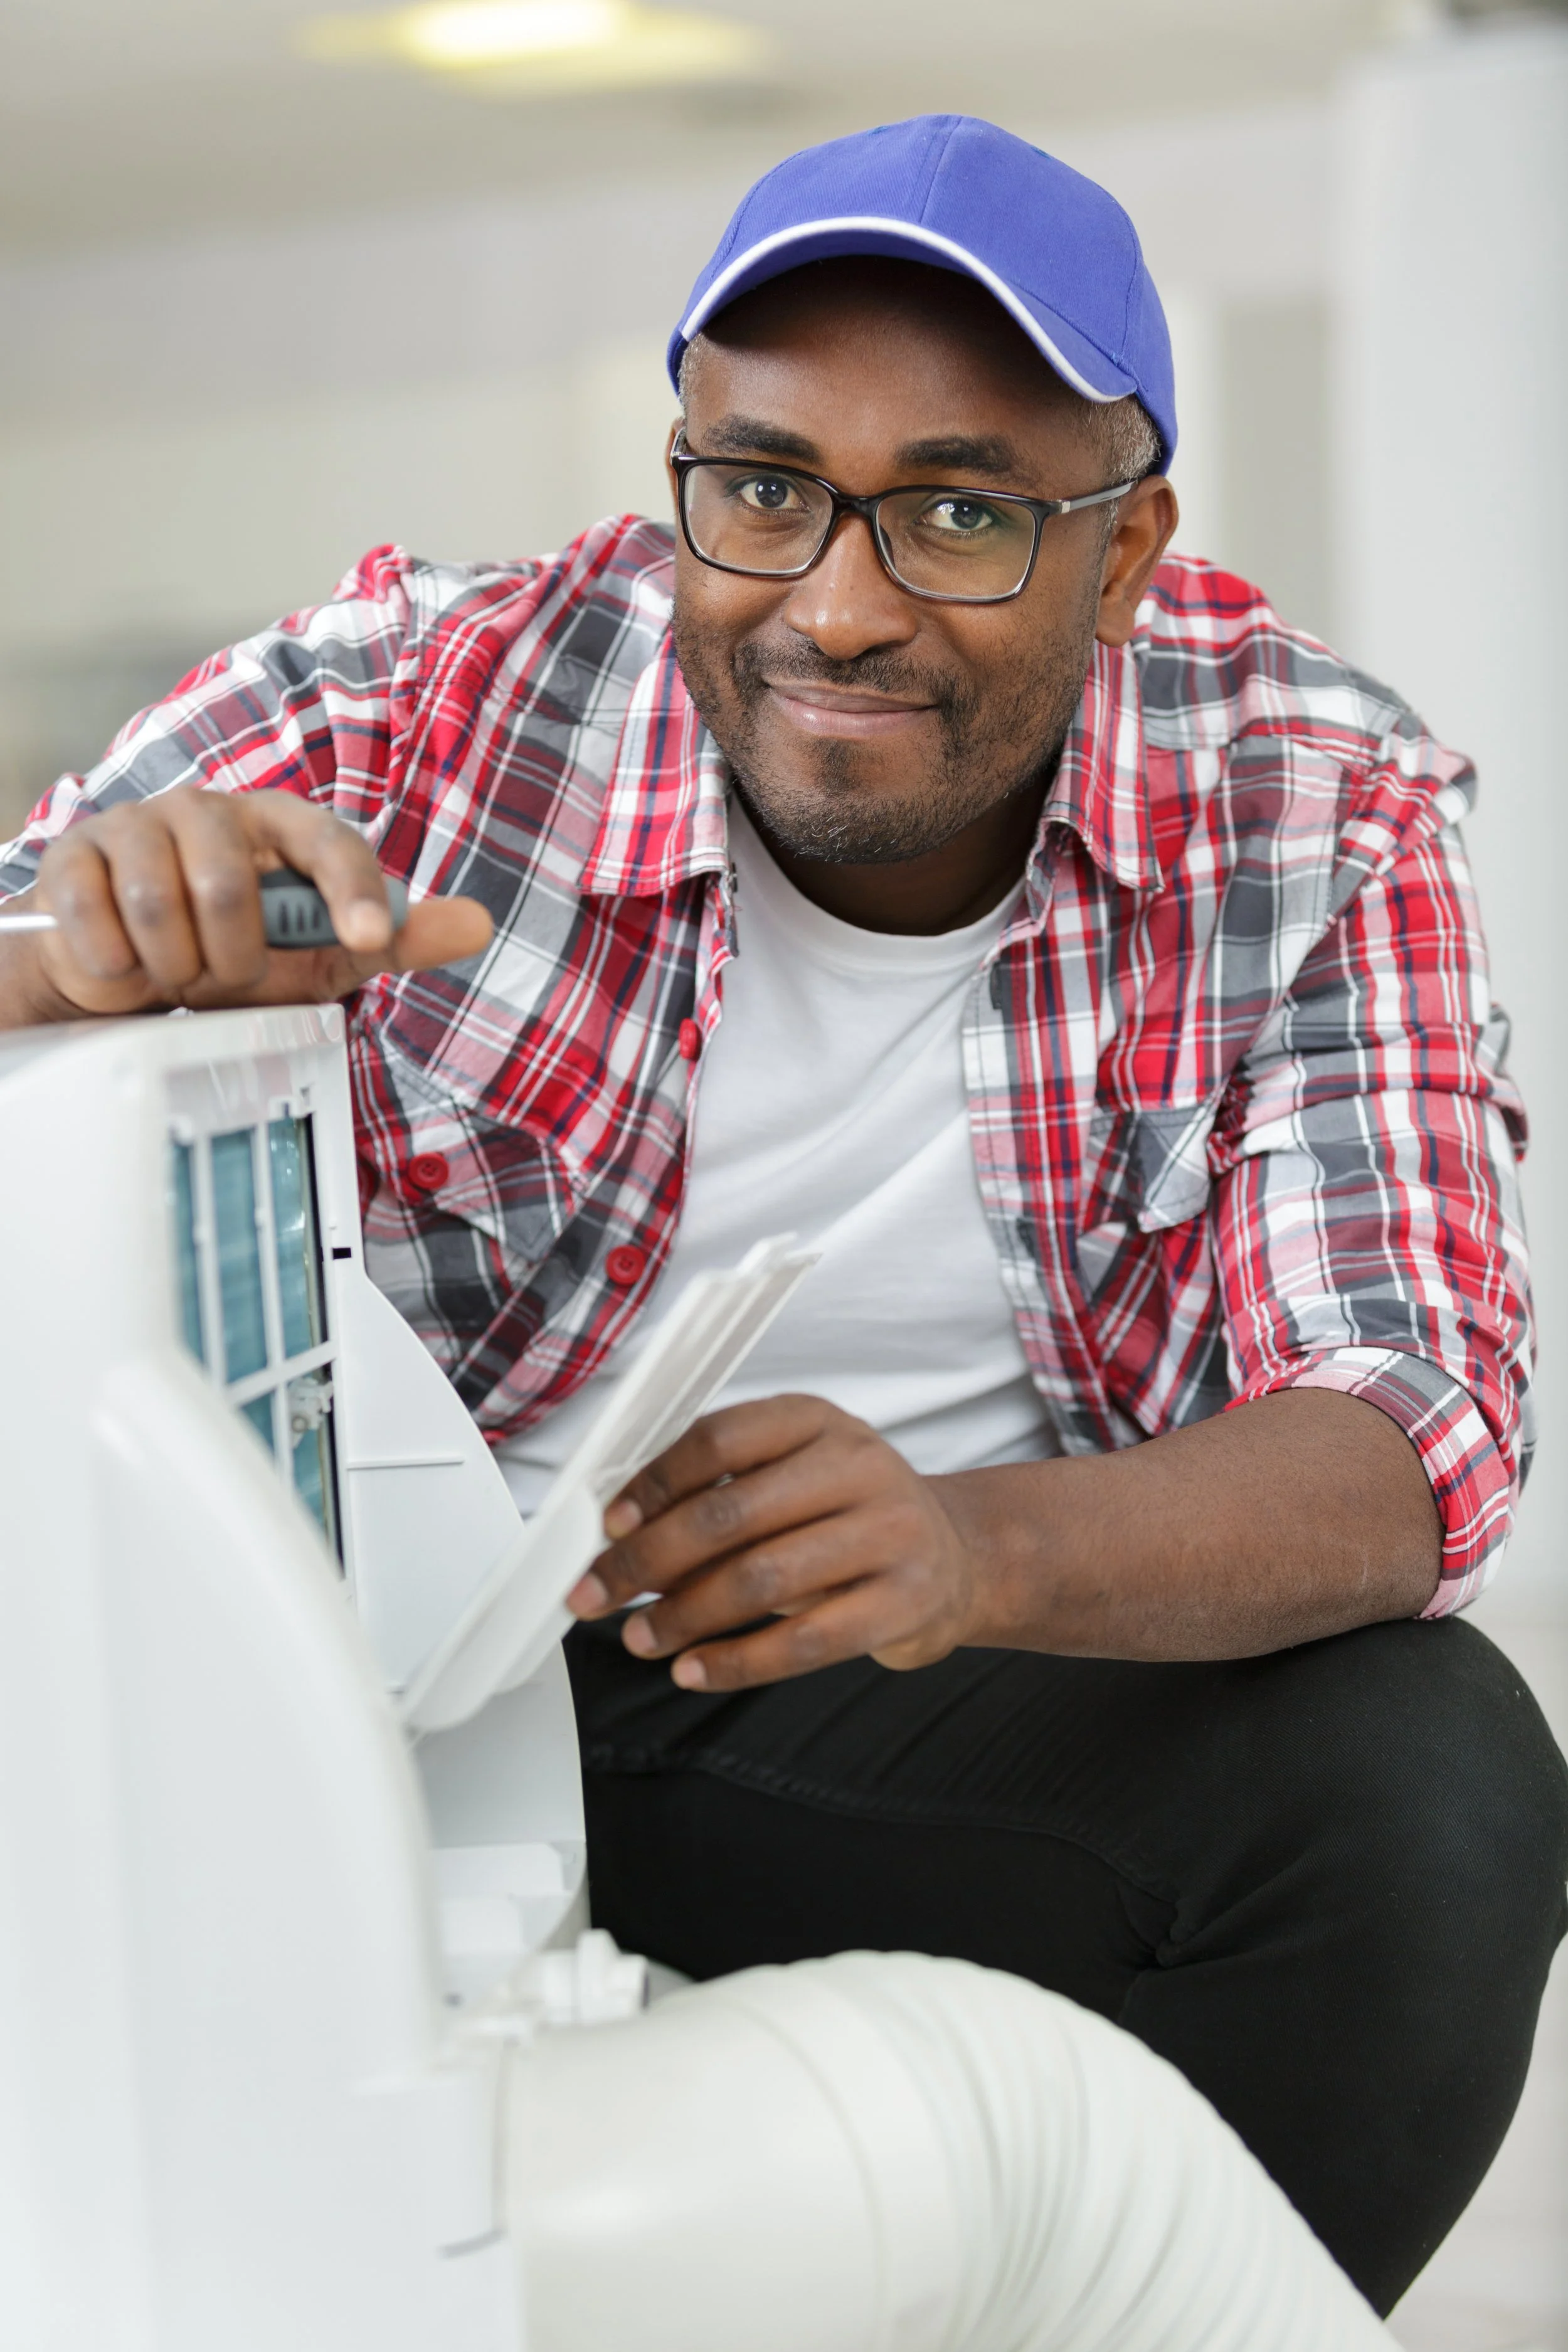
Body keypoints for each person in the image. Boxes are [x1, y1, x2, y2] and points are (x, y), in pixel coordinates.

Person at [0, 115, 1562, 2315]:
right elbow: (21, 933)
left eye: (957, 510)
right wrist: (79, 948)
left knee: (1430, 1788)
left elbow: (1411, 1425)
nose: (835, 602)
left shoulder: (1307, 791)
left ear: (1124, 553)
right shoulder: (417, 701)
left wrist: (966, 1543)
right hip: (403, 1709)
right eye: (760, 488)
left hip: (938, 1687)